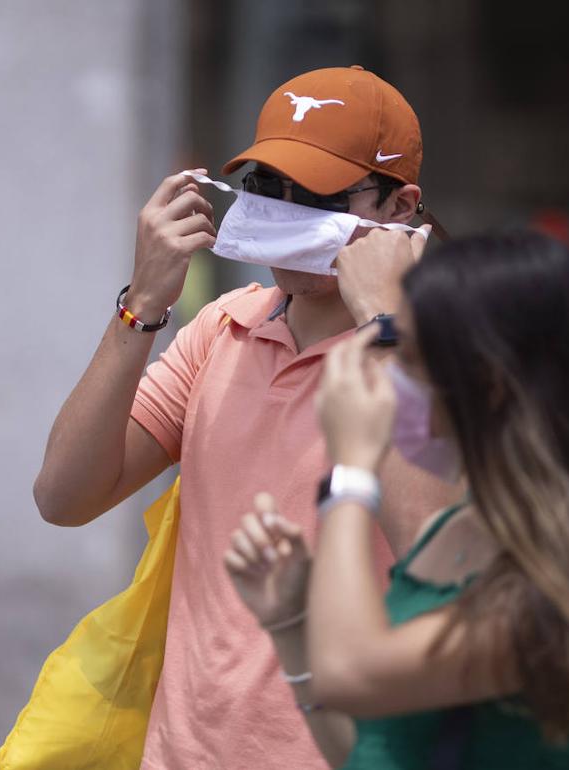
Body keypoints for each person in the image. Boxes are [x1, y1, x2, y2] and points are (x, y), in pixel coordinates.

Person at [34, 66, 457, 768]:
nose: (284, 210)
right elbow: (63, 495)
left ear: (399, 205)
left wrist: (385, 324)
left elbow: (441, 555)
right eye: (268, 187)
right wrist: (142, 306)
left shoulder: (449, 348)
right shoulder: (223, 327)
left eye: (314, 194)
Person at [224, 230, 569, 769]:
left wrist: (352, 473)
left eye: (407, 356)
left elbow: (354, 674)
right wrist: (289, 620)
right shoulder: (448, 534)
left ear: (490, 382)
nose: (391, 379)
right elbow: (372, 751)